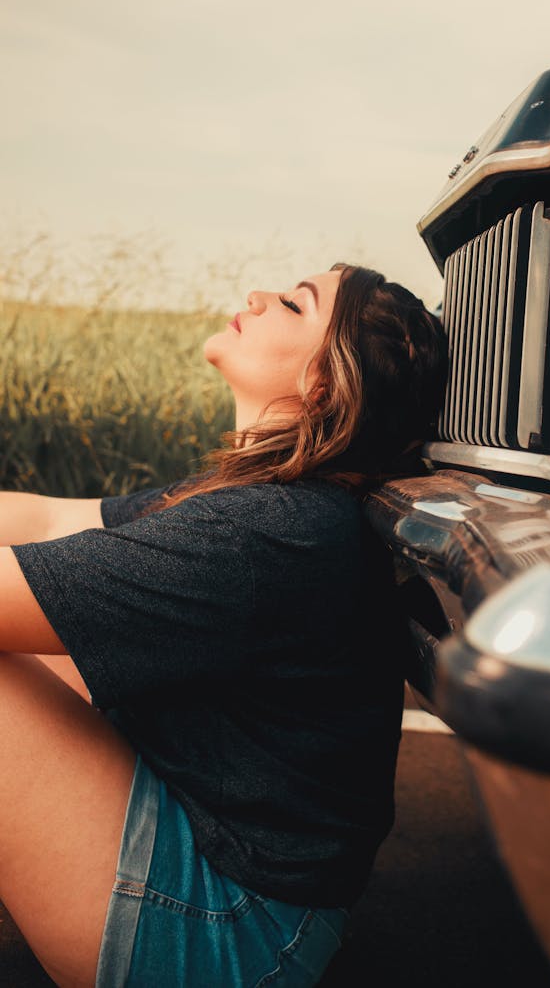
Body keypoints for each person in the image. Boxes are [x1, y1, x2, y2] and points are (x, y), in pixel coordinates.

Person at [0, 264, 448, 988]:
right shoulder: (272, 498)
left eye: (294, 302)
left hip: (239, 935)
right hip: (253, 884)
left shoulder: (272, 532)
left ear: (325, 384)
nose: (257, 296)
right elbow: (52, 518)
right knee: (51, 648)